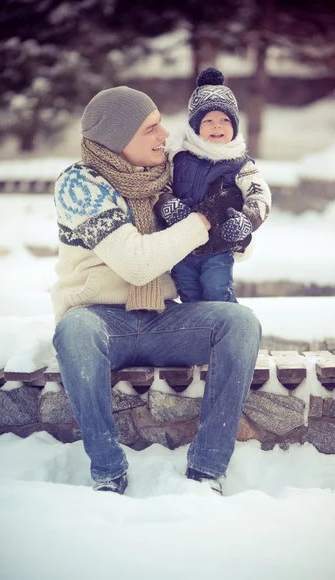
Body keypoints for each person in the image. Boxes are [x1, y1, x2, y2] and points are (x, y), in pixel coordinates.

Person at [52, 85, 262, 496]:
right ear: (119, 138)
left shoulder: (170, 171)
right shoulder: (79, 185)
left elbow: (239, 234)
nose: (165, 135)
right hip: (100, 322)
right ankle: (108, 469)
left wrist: (237, 229)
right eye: (151, 128)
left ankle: (207, 469)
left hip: (165, 320)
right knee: (74, 331)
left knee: (240, 323)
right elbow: (137, 262)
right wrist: (203, 220)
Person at [155, 68, 271, 303]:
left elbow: (259, 196)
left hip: (218, 247)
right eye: (208, 121)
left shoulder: (240, 163)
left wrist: (246, 221)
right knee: (189, 294)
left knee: (217, 290)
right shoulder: (178, 156)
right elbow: (161, 186)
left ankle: (228, 329)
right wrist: (168, 205)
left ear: (235, 125)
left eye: (224, 120)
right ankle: (197, 336)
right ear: (196, 126)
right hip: (182, 246)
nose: (217, 126)